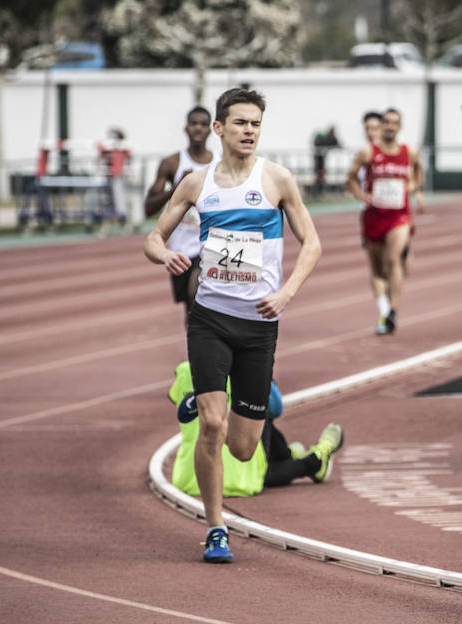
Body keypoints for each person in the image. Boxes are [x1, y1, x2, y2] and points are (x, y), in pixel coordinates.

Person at [143, 87, 323, 564]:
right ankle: (216, 527)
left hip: (259, 326)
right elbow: (153, 238)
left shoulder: (277, 180)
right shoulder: (196, 183)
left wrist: (285, 294)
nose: (249, 131)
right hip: (211, 318)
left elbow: (312, 245)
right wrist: (167, 254)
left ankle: (207, 389)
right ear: (220, 128)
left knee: (244, 449)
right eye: (240, 123)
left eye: (256, 124)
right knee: (212, 426)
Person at [169, 362, 344, 496]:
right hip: (244, 480)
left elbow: (174, 398)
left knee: (246, 414)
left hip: (189, 481)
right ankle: (315, 460)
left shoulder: (185, 370)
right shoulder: (248, 366)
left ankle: (291, 455)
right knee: (259, 416)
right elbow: (275, 408)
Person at [346, 108, 423, 335]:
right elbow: (349, 179)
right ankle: (385, 307)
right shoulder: (368, 152)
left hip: (399, 216)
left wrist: (413, 187)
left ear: (399, 127)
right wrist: (361, 195)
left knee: (393, 259)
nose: (390, 126)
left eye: (394, 123)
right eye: (386, 122)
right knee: (378, 269)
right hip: (373, 216)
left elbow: (419, 172)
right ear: (382, 126)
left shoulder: (410, 152)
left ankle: (393, 311)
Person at [144, 106, 218, 322]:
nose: (198, 128)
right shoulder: (173, 163)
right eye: (194, 123)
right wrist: (175, 188)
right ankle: (196, 349)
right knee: (190, 306)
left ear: (211, 129)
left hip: (211, 243)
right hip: (181, 248)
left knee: (196, 294)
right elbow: (148, 208)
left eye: (203, 124)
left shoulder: (220, 162)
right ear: (186, 128)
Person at [311, 124, 341, 195]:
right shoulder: (329, 136)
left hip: (318, 155)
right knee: (320, 173)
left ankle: (317, 190)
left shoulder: (326, 136)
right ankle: (317, 191)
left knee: (319, 172)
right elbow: (337, 143)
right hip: (319, 156)